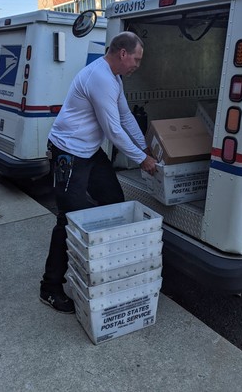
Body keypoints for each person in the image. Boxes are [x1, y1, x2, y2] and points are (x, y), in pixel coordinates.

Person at [40, 31, 157, 313]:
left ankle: (104, 273)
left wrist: (145, 148)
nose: (136, 66)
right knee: (70, 219)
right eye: (136, 60)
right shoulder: (100, 78)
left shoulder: (114, 78)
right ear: (122, 54)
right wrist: (142, 159)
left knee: (115, 204)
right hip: (68, 153)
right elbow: (113, 129)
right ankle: (50, 287)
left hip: (90, 152)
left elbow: (126, 116)